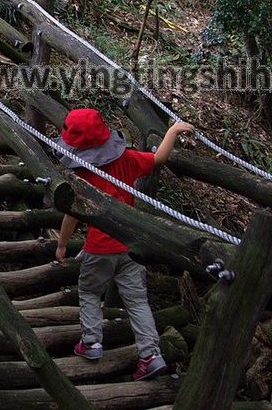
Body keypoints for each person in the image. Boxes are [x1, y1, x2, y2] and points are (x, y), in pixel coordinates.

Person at [53, 108, 195, 381]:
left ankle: (92, 342)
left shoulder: (82, 176)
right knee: (138, 301)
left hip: (99, 249)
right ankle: (151, 355)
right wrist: (173, 131)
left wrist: (61, 245)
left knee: (90, 291)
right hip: (130, 248)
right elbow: (159, 158)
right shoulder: (127, 160)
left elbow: (72, 216)